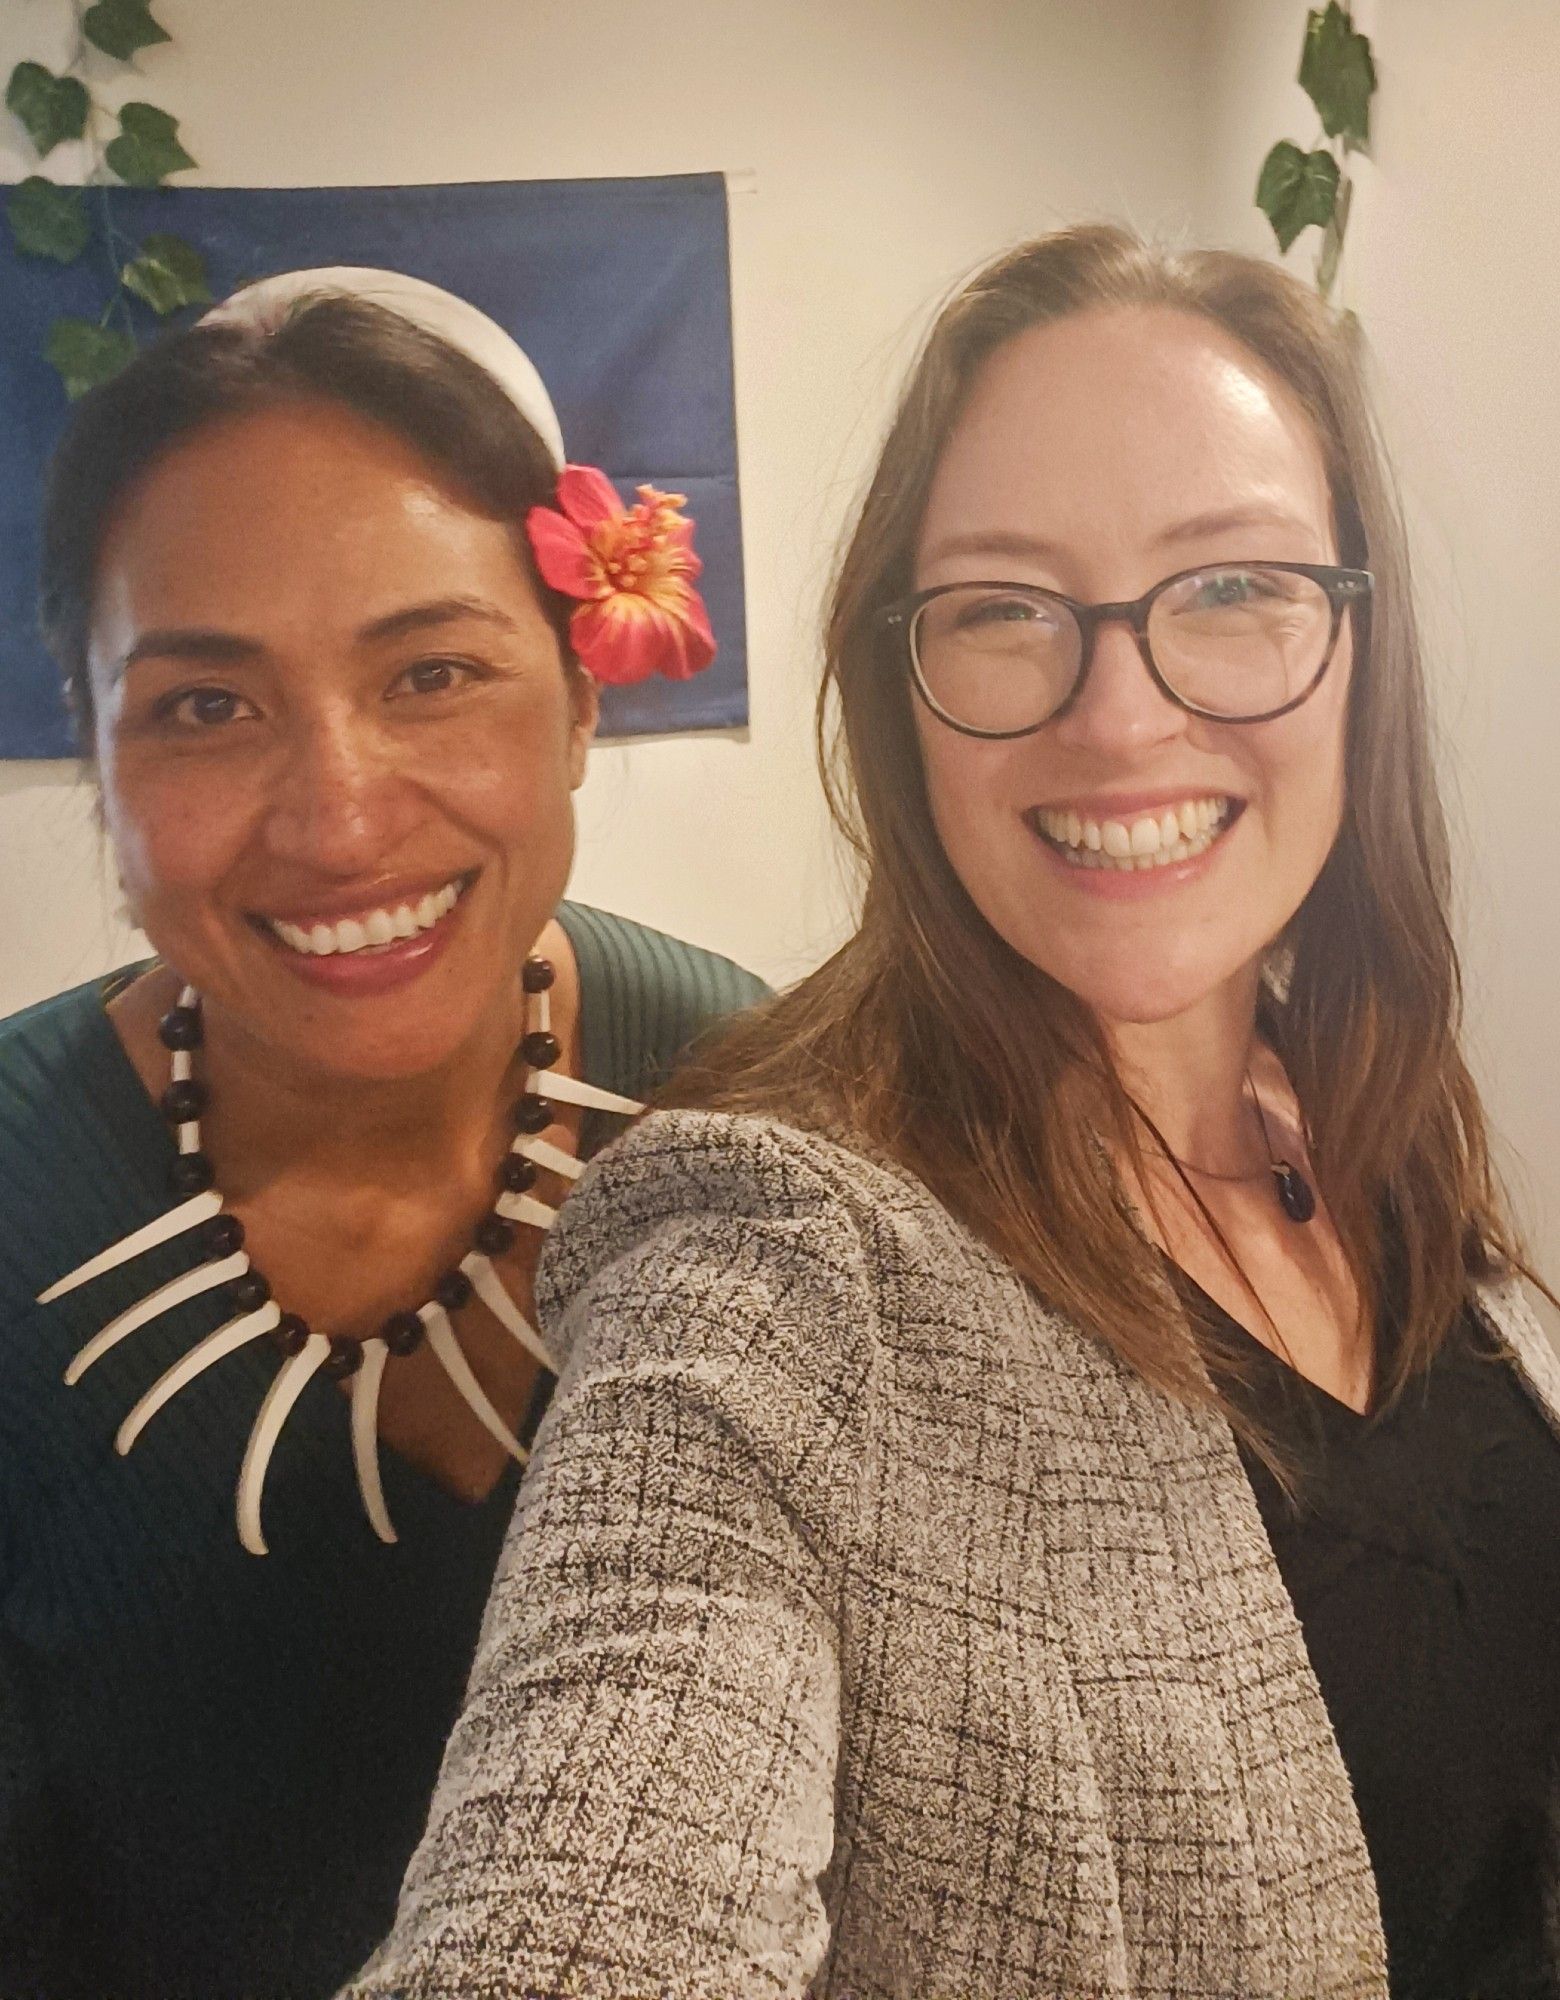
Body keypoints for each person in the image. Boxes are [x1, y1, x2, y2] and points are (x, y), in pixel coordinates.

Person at [345, 227, 1560, 2000]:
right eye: (1003, 608)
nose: (1121, 716)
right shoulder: (773, 1266)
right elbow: (587, 1885)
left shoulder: (1370, 1097)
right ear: (895, 684)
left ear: (1355, 638)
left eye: (1230, 587)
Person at [0, 266, 766, 2000]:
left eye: (432, 672)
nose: (340, 819)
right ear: (93, 754)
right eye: (206, 705)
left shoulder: (772, 1117)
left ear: (580, 699)